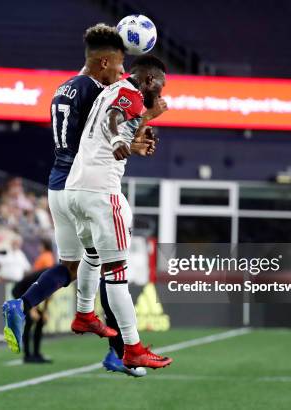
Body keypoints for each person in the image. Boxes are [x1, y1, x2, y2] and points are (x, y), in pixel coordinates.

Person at [2, 23, 166, 377]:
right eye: (120, 67)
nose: (123, 75)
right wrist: (142, 125)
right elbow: (105, 135)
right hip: (83, 183)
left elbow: (96, 137)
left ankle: (24, 303)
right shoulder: (97, 91)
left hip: (58, 183)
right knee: (110, 267)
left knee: (77, 266)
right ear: (105, 63)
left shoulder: (67, 86)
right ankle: (120, 350)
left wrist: (133, 140)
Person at [63, 55, 172, 369]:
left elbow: (113, 128)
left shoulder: (108, 91)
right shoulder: (132, 94)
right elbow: (115, 120)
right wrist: (127, 132)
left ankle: (84, 313)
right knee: (118, 277)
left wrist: (137, 133)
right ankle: (133, 348)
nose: (162, 93)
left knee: (93, 257)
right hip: (101, 193)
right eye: (161, 86)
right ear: (149, 80)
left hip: (76, 190)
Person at [12, 269, 52, 364]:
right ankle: (27, 356)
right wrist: (32, 311)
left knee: (40, 320)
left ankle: (36, 354)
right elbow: (31, 293)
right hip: (20, 292)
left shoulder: (56, 279)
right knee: (30, 320)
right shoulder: (45, 276)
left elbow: (48, 295)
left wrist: (45, 312)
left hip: (30, 295)